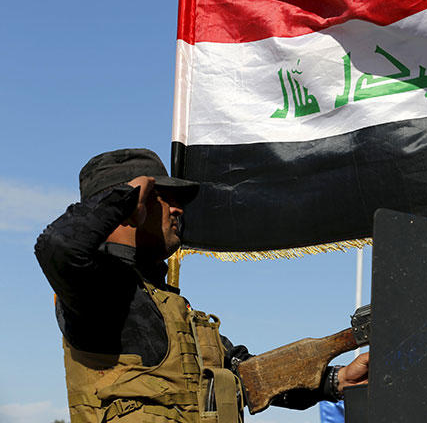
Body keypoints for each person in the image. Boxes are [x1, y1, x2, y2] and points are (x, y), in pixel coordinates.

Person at [35, 148, 368, 422]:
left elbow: (247, 377)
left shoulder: (174, 309)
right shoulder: (96, 291)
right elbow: (58, 247)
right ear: (129, 206)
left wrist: (334, 380)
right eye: (162, 197)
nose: (178, 209)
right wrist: (121, 198)